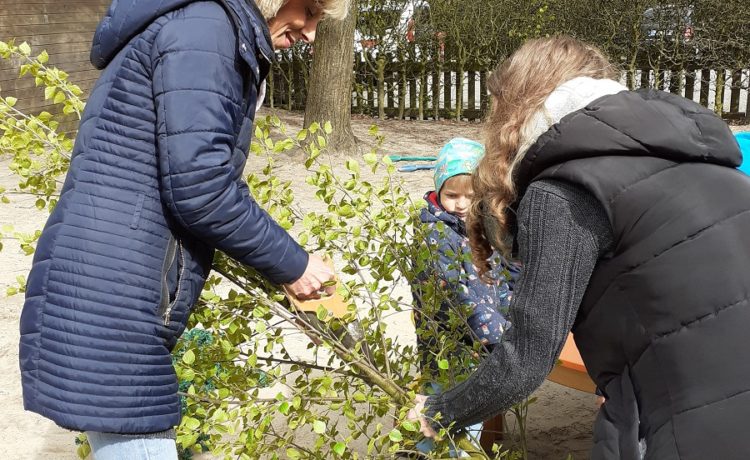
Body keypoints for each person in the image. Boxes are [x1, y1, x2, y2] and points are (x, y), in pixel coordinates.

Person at [19, 0, 348, 458]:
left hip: (111, 286)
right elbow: (201, 185)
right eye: (309, 10)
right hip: (114, 295)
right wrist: (294, 266)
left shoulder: (208, 27)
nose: (311, 33)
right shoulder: (207, 30)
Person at [408, 36, 750, 459]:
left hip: (698, 422)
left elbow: (528, 358)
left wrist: (443, 410)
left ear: (517, 109)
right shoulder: (710, 164)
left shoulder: (567, 189)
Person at [410, 138, 518, 455]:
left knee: (470, 415)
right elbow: (453, 296)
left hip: (483, 340)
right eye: (452, 195)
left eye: (470, 196)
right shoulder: (436, 233)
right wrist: (496, 333)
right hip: (451, 343)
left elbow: (506, 268)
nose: (460, 204)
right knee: (446, 413)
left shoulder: (483, 225)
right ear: (438, 192)